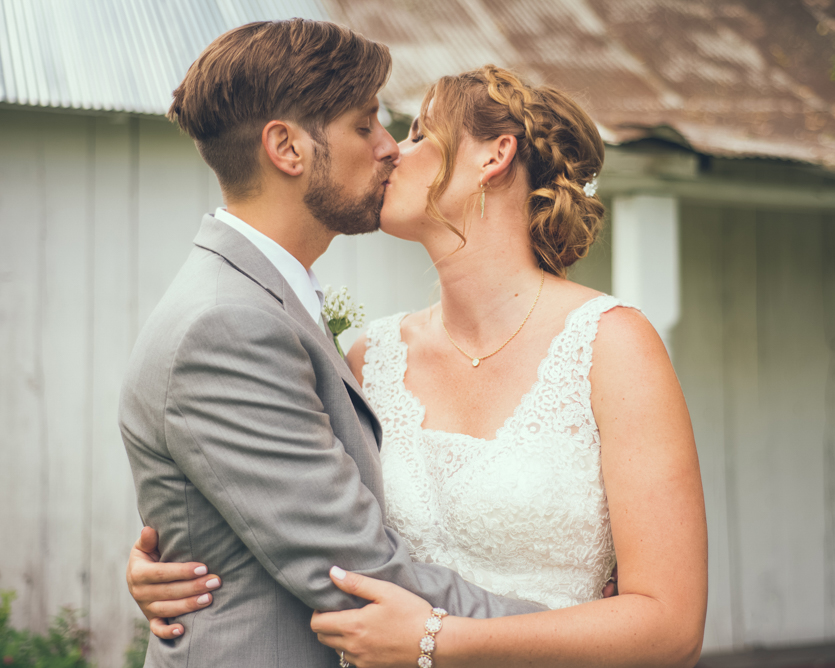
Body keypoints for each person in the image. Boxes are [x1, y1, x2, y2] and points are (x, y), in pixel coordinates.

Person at [127, 62, 708, 666]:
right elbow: (295, 519)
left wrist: (438, 640)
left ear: (494, 157)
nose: (389, 152)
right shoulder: (366, 357)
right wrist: (189, 559)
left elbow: (672, 626)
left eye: (418, 135)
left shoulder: (611, 346)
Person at [119, 21, 548, 668]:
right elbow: (363, 578)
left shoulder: (266, 305)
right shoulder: (228, 327)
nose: (389, 149)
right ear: (287, 148)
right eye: (365, 124)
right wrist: (593, 634)